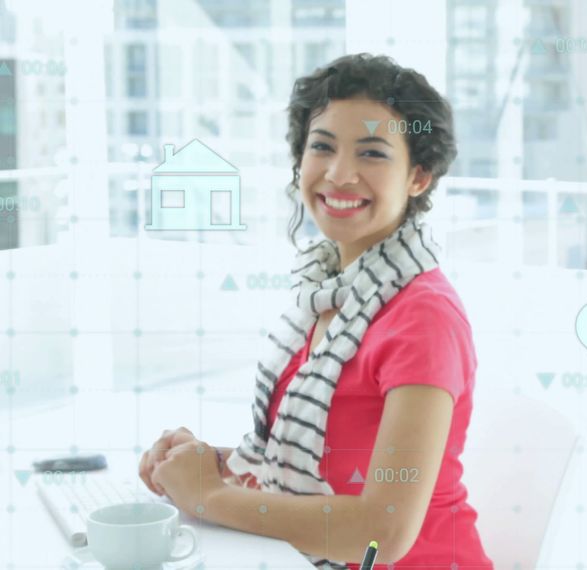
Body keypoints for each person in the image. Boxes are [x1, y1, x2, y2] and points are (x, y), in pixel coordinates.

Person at [138, 53, 494, 570]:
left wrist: (209, 497)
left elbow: (383, 533)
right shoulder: (326, 295)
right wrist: (206, 468)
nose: (338, 173)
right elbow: (310, 465)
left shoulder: (423, 317)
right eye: (321, 147)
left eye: (372, 153)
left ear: (418, 177)